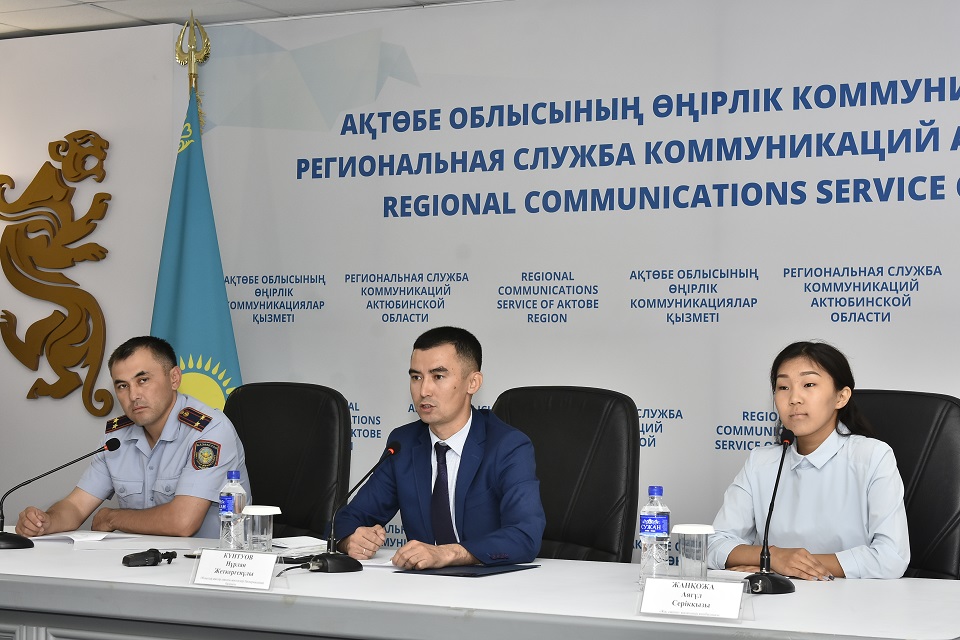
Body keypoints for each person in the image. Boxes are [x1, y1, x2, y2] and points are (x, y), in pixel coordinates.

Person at [334, 326, 546, 570]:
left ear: (473, 383)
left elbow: (524, 535)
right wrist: (351, 539)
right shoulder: (403, 443)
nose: (424, 391)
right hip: (423, 585)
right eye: (416, 377)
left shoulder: (507, 446)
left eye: (438, 377)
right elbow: (347, 518)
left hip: (491, 584)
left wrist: (447, 553)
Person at [707, 341, 910, 580]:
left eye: (809, 384)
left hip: (851, 599)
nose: (794, 398)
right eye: (783, 387)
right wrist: (775, 557)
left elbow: (891, 557)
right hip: (777, 600)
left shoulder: (872, 457)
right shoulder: (760, 463)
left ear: (841, 397)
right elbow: (712, 545)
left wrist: (782, 564)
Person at [15, 336, 250, 539]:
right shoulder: (116, 438)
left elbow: (183, 522)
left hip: (208, 566)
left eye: (143, 380)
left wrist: (112, 518)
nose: (133, 395)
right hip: (141, 563)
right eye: (122, 386)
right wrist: (46, 521)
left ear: (174, 378)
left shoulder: (209, 430)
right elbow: (76, 506)